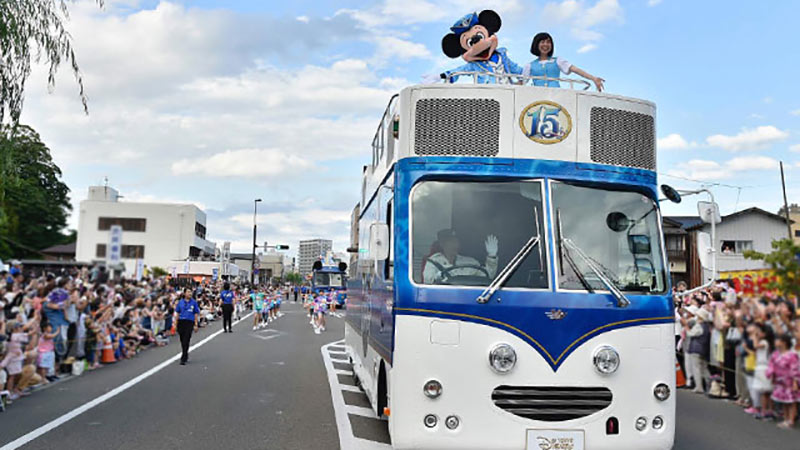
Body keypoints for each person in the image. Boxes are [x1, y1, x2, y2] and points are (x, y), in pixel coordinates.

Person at [522, 32, 604, 91]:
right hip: (536, 96)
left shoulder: (557, 60)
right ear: (536, 44)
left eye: (548, 42)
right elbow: (521, 82)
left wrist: (593, 78)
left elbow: (575, 69)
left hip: (556, 95)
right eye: (542, 42)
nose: (546, 45)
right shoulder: (529, 65)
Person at [422, 229, 499, 284]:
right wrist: (438, 277)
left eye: (456, 241)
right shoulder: (433, 261)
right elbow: (427, 280)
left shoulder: (470, 262)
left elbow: (488, 276)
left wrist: (492, 256)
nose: (455, 244)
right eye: (451, 241)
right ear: (442, 244)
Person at [174, 288, 200, 365]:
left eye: (190, 292)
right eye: (188, 292)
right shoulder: (180, 302)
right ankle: (185, 352)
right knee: (182, 340)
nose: (190, 293)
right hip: (181, 322)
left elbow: (196, 313)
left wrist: (195, 324)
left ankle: (183, 357)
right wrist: (175, 324)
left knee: (186, 339)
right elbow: (177, 313)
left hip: (189, 322)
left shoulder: (194, 302)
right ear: (184, 293)